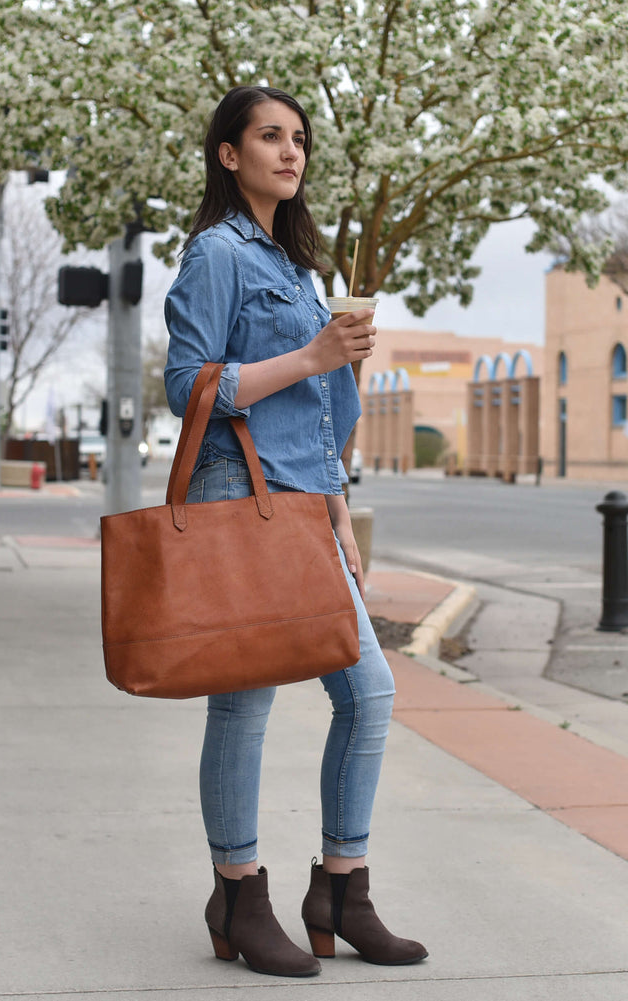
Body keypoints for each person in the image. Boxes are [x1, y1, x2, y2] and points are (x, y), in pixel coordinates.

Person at [163, 86, 428, 978]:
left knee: (369, 693)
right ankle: (238, 891)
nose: (291, 151)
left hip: (310, 502)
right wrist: (312, 354)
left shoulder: (296, 266)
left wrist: (342, 503)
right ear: (229, 154)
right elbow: (189, 385)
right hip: (243, 497)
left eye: (300, 139)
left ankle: (340, 889)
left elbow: (321, 410)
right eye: (270, 136)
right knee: (244, 702)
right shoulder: (216, 255)